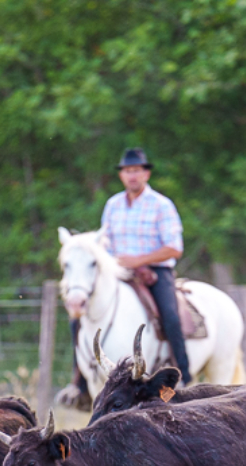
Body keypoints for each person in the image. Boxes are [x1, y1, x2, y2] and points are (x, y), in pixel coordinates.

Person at [61, 147, 189, 408]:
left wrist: (139, 261)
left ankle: (184, 375)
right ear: (122, 175)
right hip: (117, 271)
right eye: (127, 171)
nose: (132, 176)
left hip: (156, 271)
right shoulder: (113, 205)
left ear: (146, 173)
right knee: (79, 316)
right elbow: (103, 246)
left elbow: (174, 247)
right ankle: (79, 384)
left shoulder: (161, 205)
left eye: (137, 171)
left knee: (170, 315)